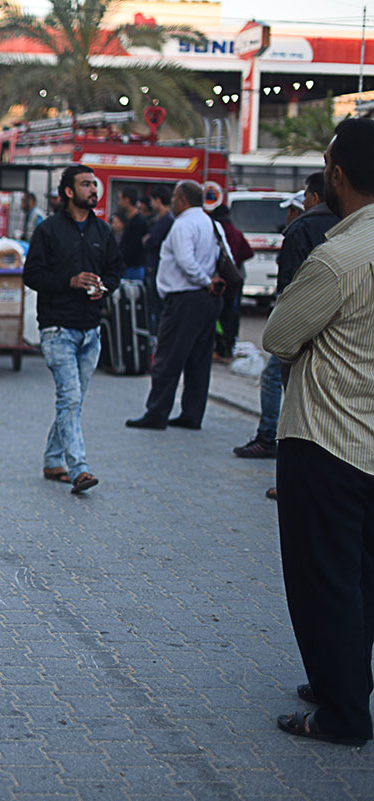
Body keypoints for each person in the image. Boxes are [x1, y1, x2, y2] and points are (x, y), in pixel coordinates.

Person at [265, 117, 374, 748]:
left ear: (336, 174)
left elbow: (279, 337)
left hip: (327, 440)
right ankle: (345, 681)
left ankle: (342, 714)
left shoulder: (336, 256)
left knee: (323, 580)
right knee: (362, 578)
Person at [23, 165, 123, 495]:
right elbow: (32, 276)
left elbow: (115, 272)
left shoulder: (103, 231)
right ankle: (79, 469)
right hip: (57, 329)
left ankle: (53, 459)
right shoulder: (48, 230)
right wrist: (69, 282)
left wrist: (102, 288)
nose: (93, 189)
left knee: (73, 401)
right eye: (86, 184)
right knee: (70, 398)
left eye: (94, 184)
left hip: (91, 331)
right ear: (69, 192)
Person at [234, 173, 339, 478]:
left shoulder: (302, 228)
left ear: (315, 198)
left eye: (306, 195)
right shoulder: (350, 227)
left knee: (280, 383)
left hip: (300, 328)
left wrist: (286, 334)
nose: (303, 201)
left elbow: (288, 291)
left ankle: (269, 438)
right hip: (331, 332)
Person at [125, 181, 224, 431]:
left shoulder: (183, 225)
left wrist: (203, 280)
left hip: (185, 299)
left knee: (168, 357)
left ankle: (156, 412)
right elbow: (227, 257)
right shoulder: (213, 224)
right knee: (199, 360)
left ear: (182, 199)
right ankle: (192, 413)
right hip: (207, 300)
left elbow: (185, 261)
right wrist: (212, 282)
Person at [209, 204, 254, 360]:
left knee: (219, 317)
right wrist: (236, 262)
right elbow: (248, 252)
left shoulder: (217, 233)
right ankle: (229, 347)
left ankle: (220, 348)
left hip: (220, 281)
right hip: (235, 281)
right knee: (232, 315)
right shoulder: (236, 232)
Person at [141, 186, 175, 338]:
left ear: (158, 200)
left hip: (156, 269)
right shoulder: (163, 220)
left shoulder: (166, 221)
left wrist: (147, 240)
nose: (151, 205)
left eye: (152, 201)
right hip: (155, 268)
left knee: (156, 308)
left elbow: (150, 242)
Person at [117, 187, 149, 281]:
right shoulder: (129, 220)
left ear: (127, 200)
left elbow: (134, 246)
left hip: (133, 268)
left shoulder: (139, 222)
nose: (119, 203)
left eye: (121, 199)